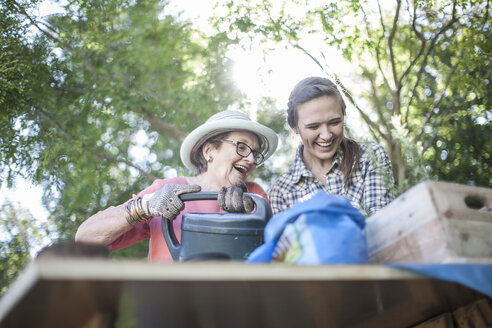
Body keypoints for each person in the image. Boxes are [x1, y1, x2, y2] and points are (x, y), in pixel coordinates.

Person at [75, 110, 278, 261]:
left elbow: (277, 253)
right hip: (168, 305)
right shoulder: (169, 190)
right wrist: (145, 206)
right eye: (241, 146)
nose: (251, 159)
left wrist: (249, 221)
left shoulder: (254, 195)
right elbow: (85, 240)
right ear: (209, 151)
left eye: (255, 153)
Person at [269, 76, 394, 217]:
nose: (326, 135)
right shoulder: (281, 192)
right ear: (294, 127)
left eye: (334, 122)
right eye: (313, 126)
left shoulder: (370, 157)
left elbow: (383, 224)